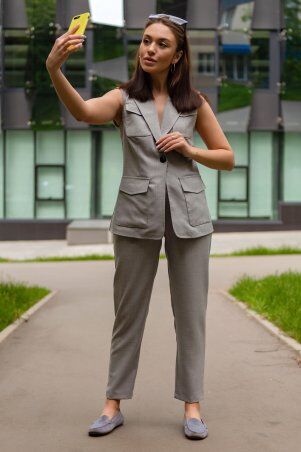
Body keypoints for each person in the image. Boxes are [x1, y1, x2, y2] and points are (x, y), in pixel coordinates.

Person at [46, 13, 234, 440]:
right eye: (146, 41)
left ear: (178, 55)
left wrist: (190, 148)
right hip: (135, 217)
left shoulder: (195, 104)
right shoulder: (122, 99)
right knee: (128, 314)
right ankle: (112, 404)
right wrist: (54, 69)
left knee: (191, 317)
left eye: (161, 44)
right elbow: (83, 112)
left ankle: (192, 407)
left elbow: (227, 156)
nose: (150, 49)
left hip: (190, 218)